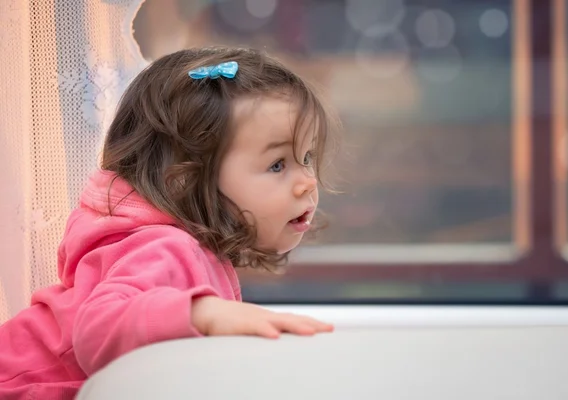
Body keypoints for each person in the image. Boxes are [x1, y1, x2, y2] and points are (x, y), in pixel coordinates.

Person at [0, 46, 340, 399]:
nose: (308, 181)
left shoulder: (178, 248)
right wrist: (202, 313)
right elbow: (97, 329)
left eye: (307, 157)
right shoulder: (164, 248)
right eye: (277, 165)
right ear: (185, 179)